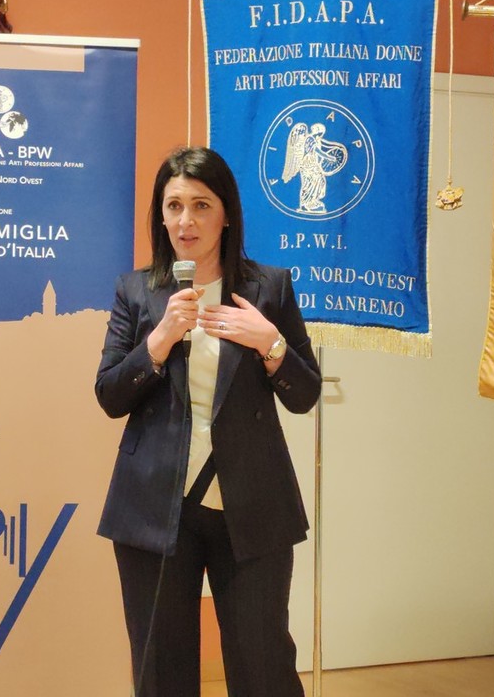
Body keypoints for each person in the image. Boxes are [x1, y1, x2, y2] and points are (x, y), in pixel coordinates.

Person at [95, 147, 321, 697]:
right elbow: (109, 396)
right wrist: (159, 339)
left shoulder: (269, 288)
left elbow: (305, 394)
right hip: (154, 509)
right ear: (160, 215)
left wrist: (270, 342)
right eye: (173, 206)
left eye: (201, 205)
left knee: (263, 667)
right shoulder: (137, 292)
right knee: (161, 671)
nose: (186, 221)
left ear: (226, 216)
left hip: (252, 505)